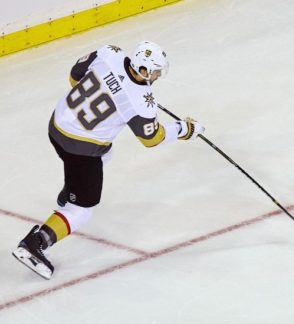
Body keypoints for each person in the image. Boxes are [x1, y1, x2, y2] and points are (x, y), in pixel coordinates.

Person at [12, 41, 204, 280]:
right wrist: (183, 129)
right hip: (80, 151)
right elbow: (152, 138)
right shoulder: (141, 102)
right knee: (81, 211)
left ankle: (71, 190)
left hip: (56, 125)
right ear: (143, 71)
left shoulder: (109, 53)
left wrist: (110, 90)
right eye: (154, 72)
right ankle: (36, 242)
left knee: (106, 152)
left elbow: (75, 76)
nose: (156, 76)